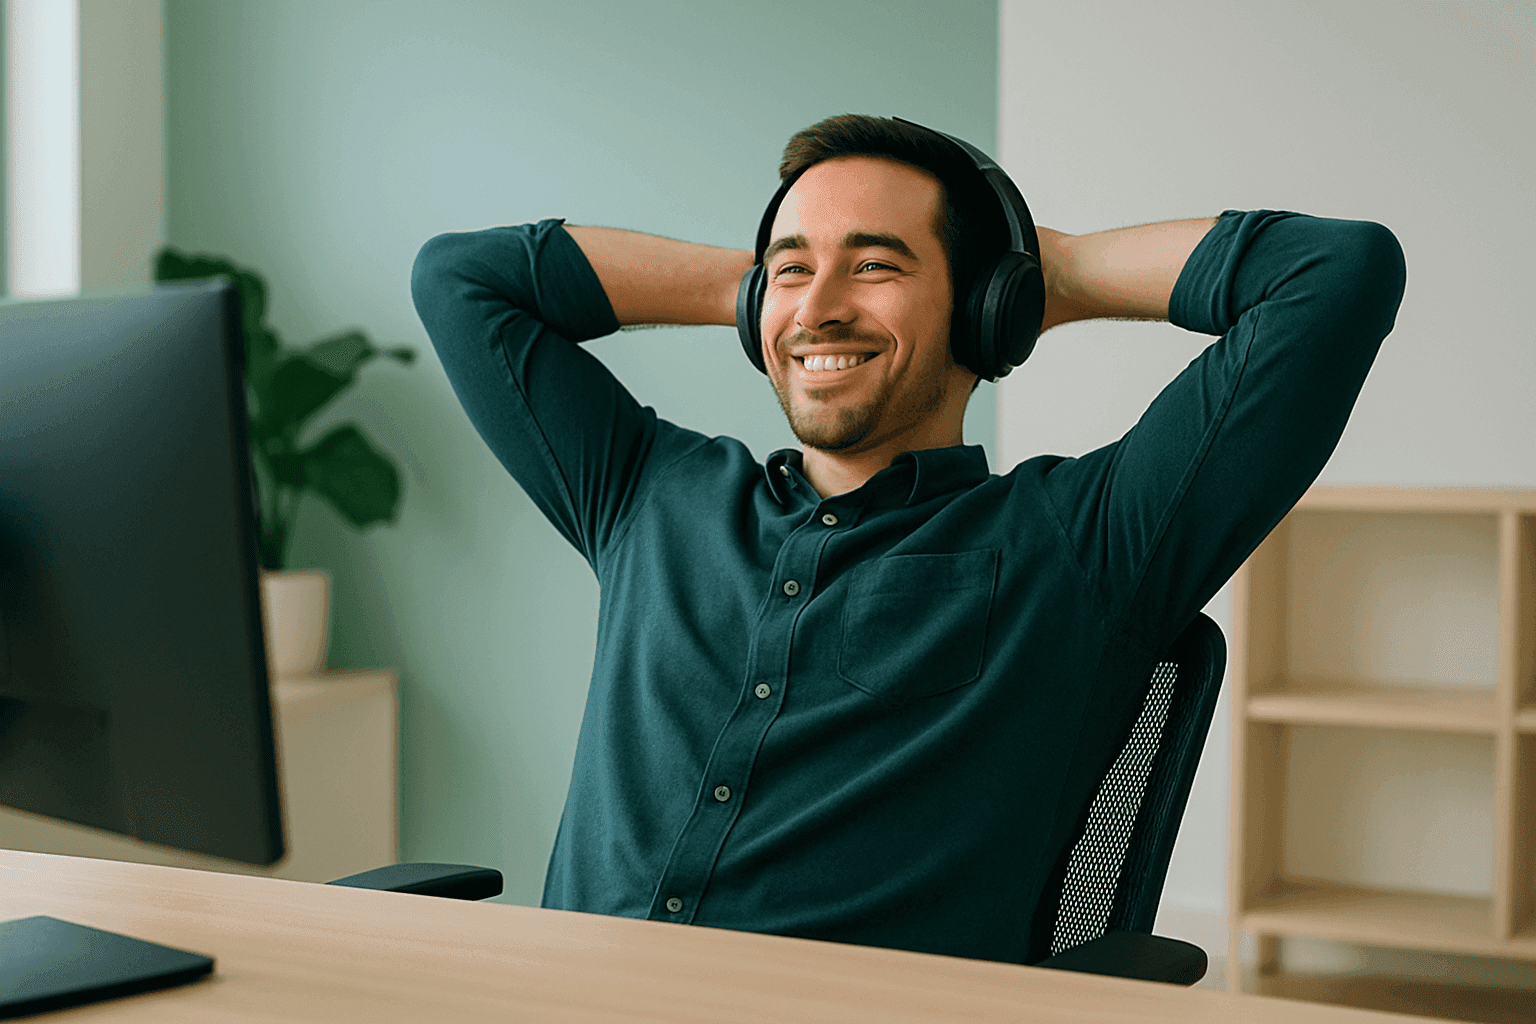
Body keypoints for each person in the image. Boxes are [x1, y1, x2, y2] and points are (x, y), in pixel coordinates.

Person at [410, 114, 1405, 965]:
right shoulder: (648, 493)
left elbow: (1333, 273)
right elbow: (460, 280)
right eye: (792, 271)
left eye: (875, 266)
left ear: (981, 306)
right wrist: (756, 294)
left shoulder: (1083, 542)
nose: (820, 306)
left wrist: (1044, 275)